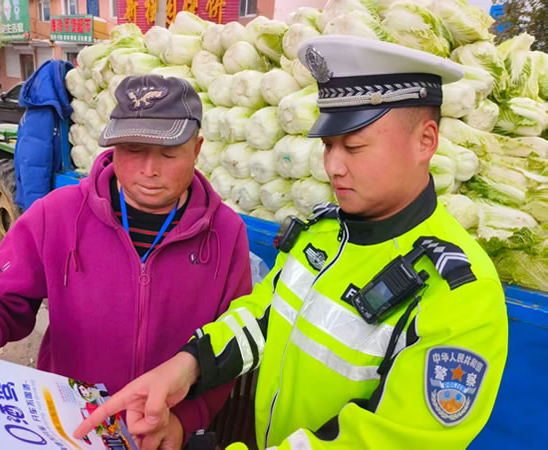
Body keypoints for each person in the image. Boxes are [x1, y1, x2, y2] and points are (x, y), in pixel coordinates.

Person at [76, 36, 509, 449]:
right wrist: (184, 367)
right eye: (328, 145)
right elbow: (263, 315)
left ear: (425, 141)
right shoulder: (323, 233)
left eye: (354, 147)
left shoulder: (459, 294)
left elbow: (389, 439)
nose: (333, 166)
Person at [0, 74, 252, 447]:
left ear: (197, 148)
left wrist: (185, 420)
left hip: (160, 432)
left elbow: (229, 345)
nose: (149, 170)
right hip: (70, 429)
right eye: (134, 150)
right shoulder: (58, 214)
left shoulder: (226, 234)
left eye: (169, 153)